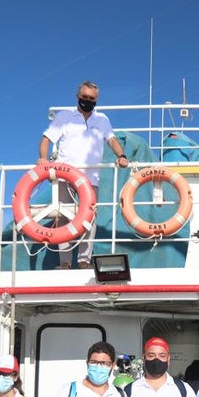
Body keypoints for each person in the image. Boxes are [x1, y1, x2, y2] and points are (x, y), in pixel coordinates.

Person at [38, 80, 130, 270]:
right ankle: (64, 263)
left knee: (89, 218)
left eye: (91, 99)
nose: (87, 101)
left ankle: (83, 260)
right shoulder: (64, 117)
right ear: (78, 97)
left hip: (90, 180)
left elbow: (112, 140)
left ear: (96, 100)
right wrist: (42, 159)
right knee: (64, 217)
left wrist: (121, 155)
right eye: (84, 97)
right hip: (65, 176)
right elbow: (47, 139)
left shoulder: (102, 120)